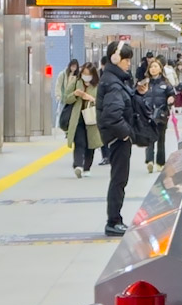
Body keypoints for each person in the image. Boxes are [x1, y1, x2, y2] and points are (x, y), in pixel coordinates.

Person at [97, 41, 137, 237]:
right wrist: (126, 133)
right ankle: (113, 221)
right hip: (117, 139)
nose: (128, 63)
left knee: (119, 179)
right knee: (119, 180)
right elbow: (112, 115)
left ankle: (115, 219)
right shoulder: (113, 82)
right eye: (126, 59)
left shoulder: (114, 79)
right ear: (115, 58)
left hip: (115, 138)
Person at [139, 57, 175, 172]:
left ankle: (160, 162)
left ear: (160, 69)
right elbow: (137, 96)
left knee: (160, 139)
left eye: (156, 67)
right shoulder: (144, 83)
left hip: (162, 114)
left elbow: (172, 95)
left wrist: (170, 99)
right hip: (148, 114)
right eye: (151, 67)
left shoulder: (166, 83)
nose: (153, 69)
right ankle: (149, 161)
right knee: (149, 138)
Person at [66, 63, 102, 177]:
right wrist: (75, 94)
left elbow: (102, 102)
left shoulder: (98, 85)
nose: (86, 76)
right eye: (84, 73)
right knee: (79, 142)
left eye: (88, 74)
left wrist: (91, 99)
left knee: (90, 143)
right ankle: (78, 166)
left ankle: (87, 167)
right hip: (78, 118)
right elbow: (66, 98)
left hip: (91, 118)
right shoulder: (76, 82)